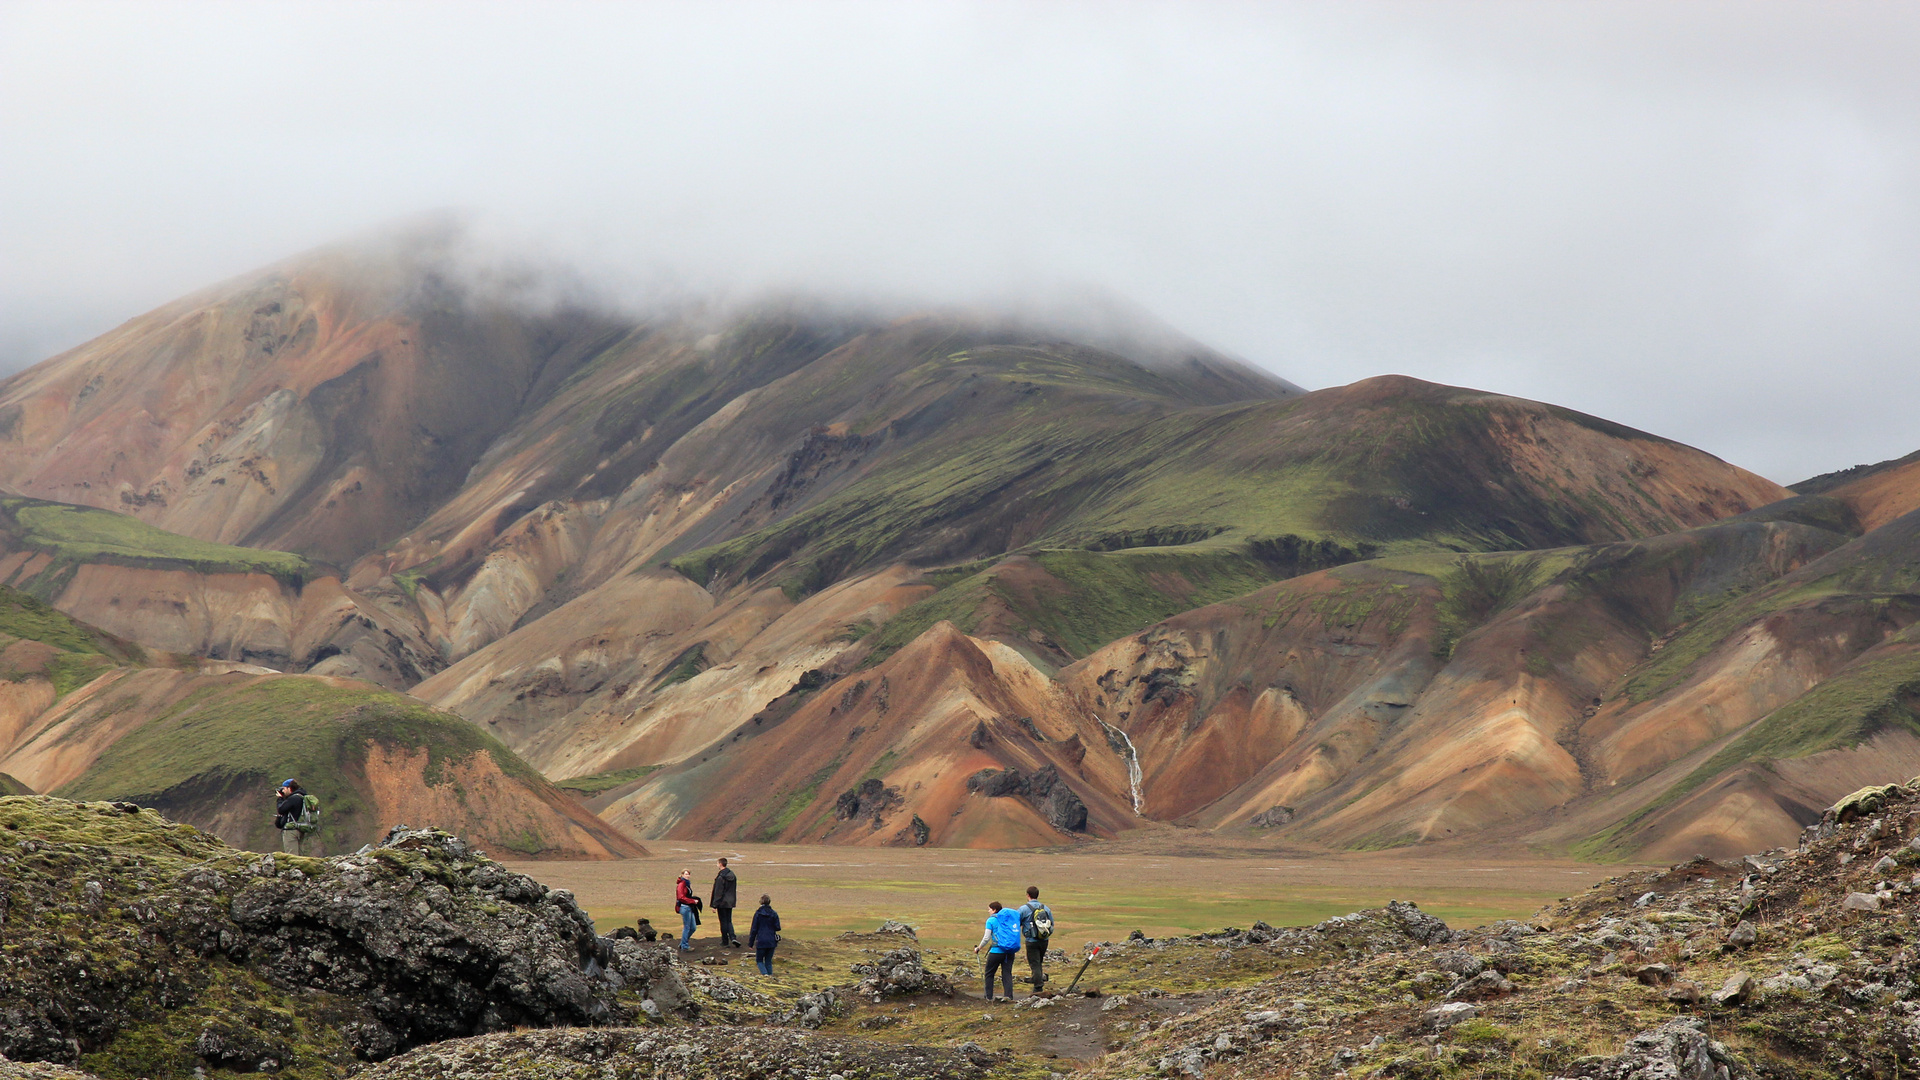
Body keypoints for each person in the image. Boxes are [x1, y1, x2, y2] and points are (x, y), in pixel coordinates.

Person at [973, 900, 1023, 1001]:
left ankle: (989, 996)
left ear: (994, 910)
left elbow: (986, 938)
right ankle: (1009, 997)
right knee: (1007, 974)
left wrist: (979, 948)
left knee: (989, 974)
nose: (988, 911)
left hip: (996, 952)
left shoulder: (991, 920)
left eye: (989, 909)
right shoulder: (1007, 920)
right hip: (1009, 952)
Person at [1018, 885, 1054, 991]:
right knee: (1038, 962)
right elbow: (1051, 925)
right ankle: (1036, 978)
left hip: (1031, 940)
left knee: (1034, 963)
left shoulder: (1023, 909)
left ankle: (1038, 988)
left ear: (1027, 895)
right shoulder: (1046, 908)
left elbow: (1016, 922)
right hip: (1044, 940)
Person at [748, 893, 781, 975]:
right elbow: (778, 927)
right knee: (768, 961)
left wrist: (750, 943)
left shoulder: (758, 914)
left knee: (759, 960)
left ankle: (765, 975)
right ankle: (770, 976)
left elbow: (754, 929)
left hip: (761, 941)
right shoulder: (774, 913)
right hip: (771, 941)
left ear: (761, 902)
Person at [711, 857, 740, 947]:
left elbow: (718, 892)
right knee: (729, 921)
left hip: (722, 903)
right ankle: (733, 937)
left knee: (723, 921)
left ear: (720, 864)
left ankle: (725, 941)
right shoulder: (732, 875)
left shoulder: (721, 877)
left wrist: (714, 905)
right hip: (730, 902)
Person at [273, 780, 307, 855]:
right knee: (300, 854)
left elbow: (281, 809)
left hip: (291, 830)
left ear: (289, 788)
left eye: (284, 788)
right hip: (301, 828)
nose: (283, 791)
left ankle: (294, 866)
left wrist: (280, 799)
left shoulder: (293, 799)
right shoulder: (302, 797)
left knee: (292, 854)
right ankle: (300, 866)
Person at [674, 870, 700, 950]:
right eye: (686, 874)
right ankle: (684, 946)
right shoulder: (682, 884)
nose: (687, 876)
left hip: (689, 907)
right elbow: (680, 897)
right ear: (682, 875)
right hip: (685, 907)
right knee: (687, 927)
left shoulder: (686, 884)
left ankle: (683, 943)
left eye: (688, 874)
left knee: (693, 927)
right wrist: (692, 901)